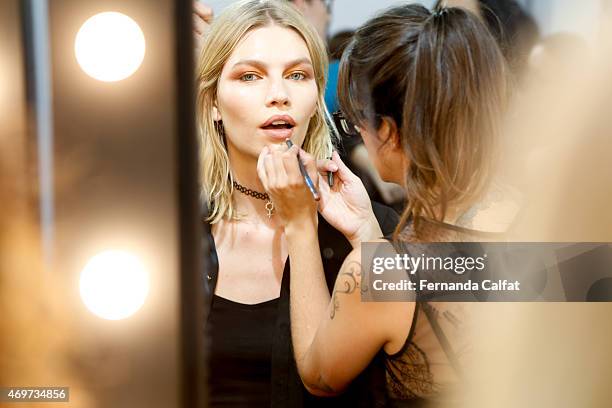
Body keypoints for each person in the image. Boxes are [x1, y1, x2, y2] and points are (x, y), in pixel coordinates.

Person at [257, 4, 509, 406]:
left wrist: (300, 225)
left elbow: (319, 375)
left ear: (388, 131)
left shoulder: (381, 275)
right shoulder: (553, 216)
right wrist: (368, 235)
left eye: (354, 120)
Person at [195, 1, 398, 406]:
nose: (278, 95)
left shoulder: (368, 228)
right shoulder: (172, 233)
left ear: (315, 94)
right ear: (214, 102)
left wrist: (366, 238)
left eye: (298, 75)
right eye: (250, 76)